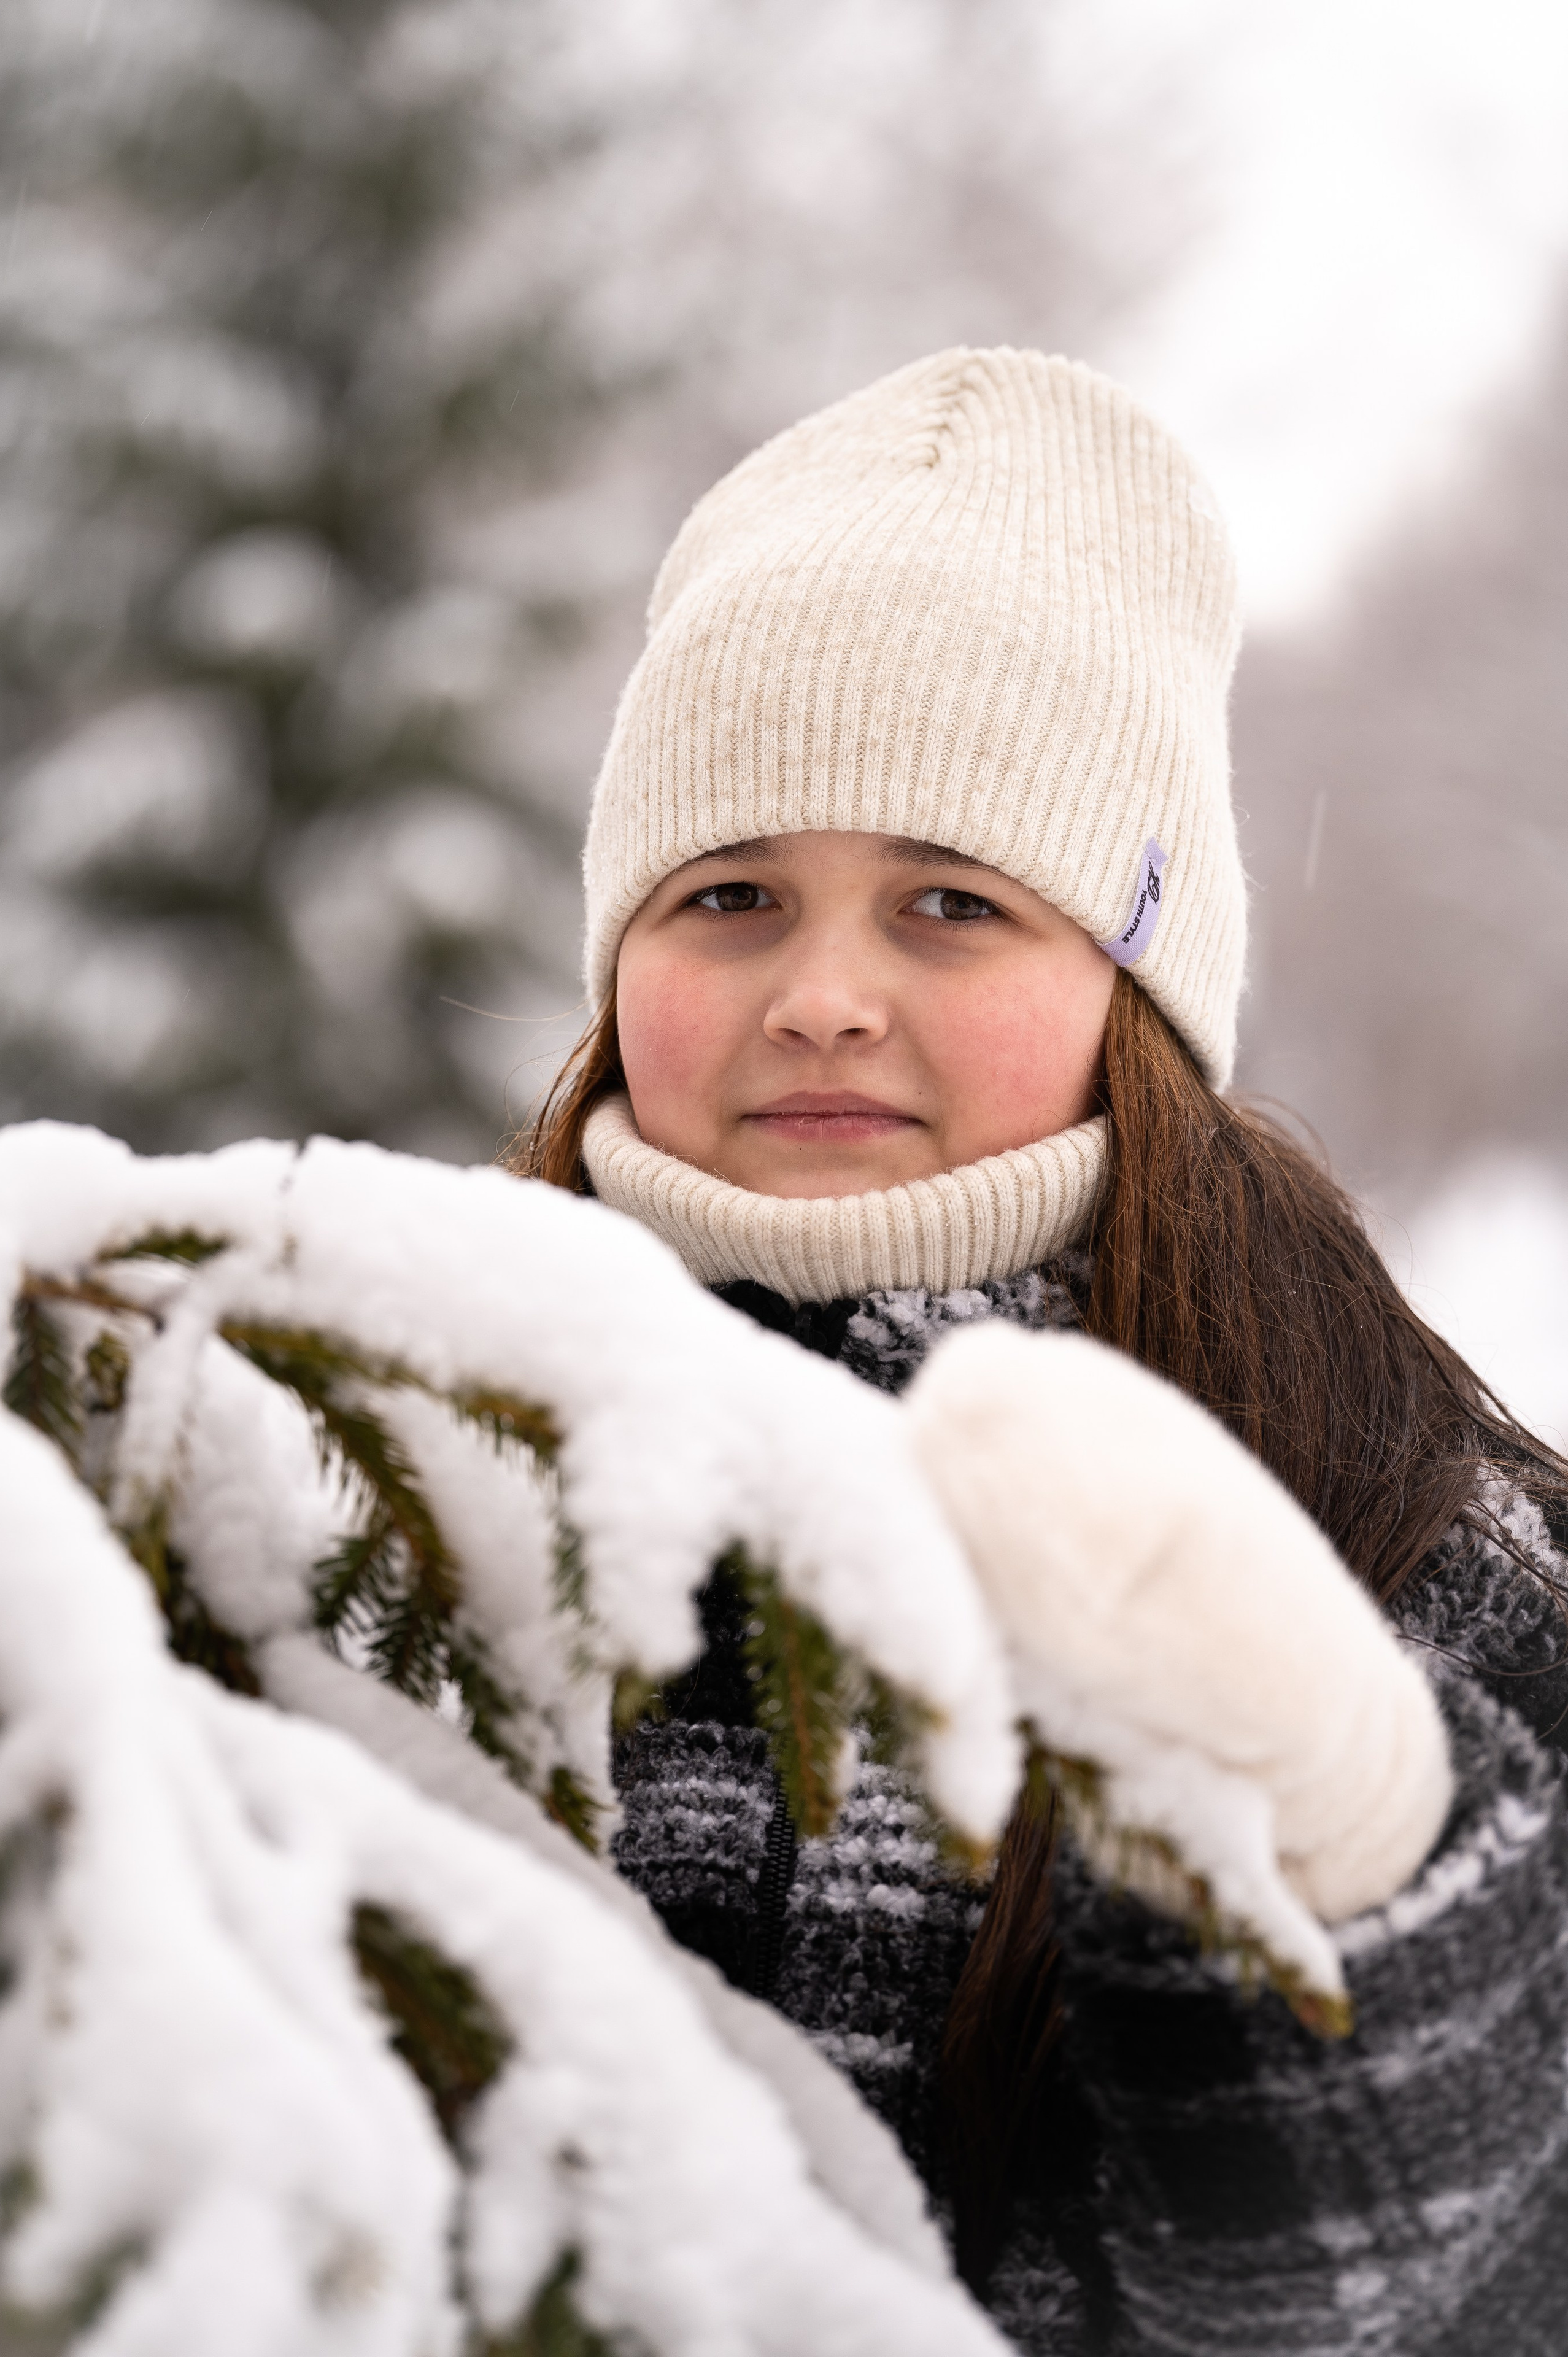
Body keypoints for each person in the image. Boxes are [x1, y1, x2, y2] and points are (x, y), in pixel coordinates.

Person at [516, 348, 1568, 2354]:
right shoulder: (377, 1453)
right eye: (731, 896)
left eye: (949, 903)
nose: (823, 996)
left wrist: (1357, 1870)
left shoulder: (1424, 1550)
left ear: (1131, 978)